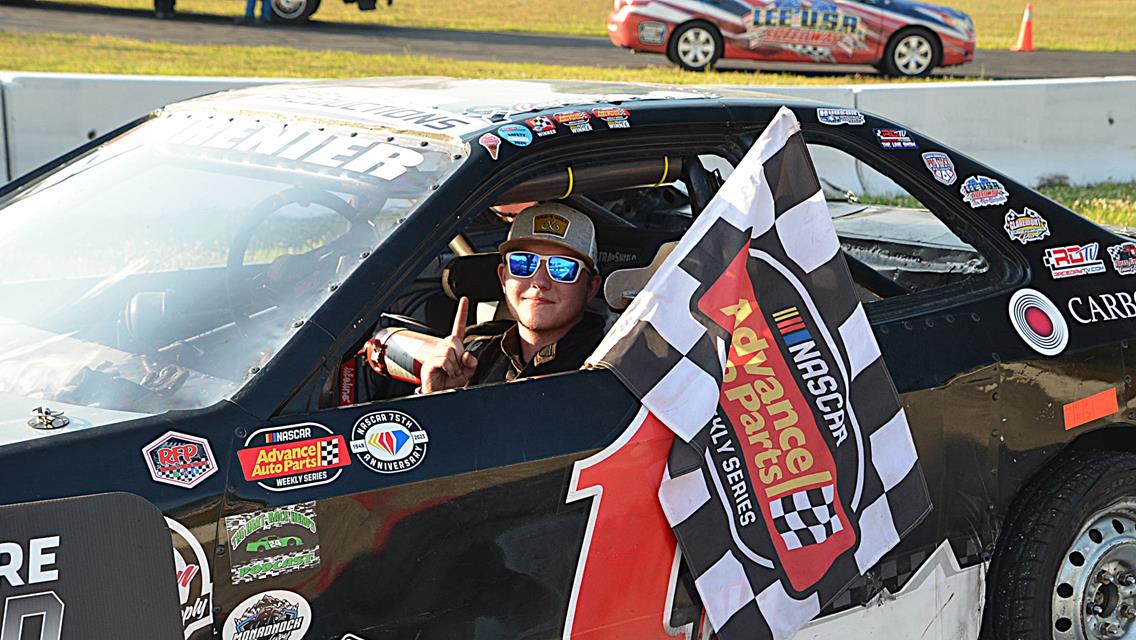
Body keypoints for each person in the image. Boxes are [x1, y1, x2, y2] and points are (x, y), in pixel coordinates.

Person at [419, 203, 605, 394]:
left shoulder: (607, 368)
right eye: (523, 263)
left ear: (591, 287)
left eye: (562, 267)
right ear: (503, 278)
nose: (539, 281)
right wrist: (438, 397)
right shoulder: (471, 354)